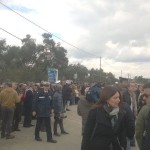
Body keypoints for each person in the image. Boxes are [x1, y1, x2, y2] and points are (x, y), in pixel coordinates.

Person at [81, 86, 126, 150]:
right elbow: (87, 134)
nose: (118, 100)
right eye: (115, 98)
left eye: (119, 97)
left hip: (114, 146)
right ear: (106, 99)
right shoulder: (95, 111)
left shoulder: (120, 112)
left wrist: (123, 145)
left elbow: (122, 132)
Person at [135, 82, 150, 150]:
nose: (144, 98)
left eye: (146, 95)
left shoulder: (145, 110)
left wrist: (143, 146)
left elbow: (139, 133)